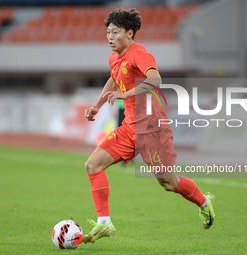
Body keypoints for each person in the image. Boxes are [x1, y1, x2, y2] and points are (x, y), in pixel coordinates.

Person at [83, 7, 215, 244]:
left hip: (152, 128)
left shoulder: (139, 53)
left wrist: (127, 94)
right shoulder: (114, 57)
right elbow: (114, 80)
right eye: (108, 33)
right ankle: (104, 223)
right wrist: (97, 106)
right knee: (92, 165)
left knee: (168, 183)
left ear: (130, 33)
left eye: (115, 32)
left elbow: (155, 80)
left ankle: (204, 202)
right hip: (130, 127)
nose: (110, 37)